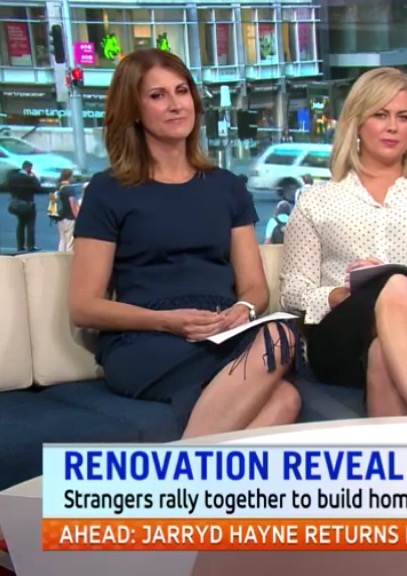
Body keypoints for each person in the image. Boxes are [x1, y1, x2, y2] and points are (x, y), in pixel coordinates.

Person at [68, 48, 300, 439]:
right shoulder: (109, 191)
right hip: (146, 338)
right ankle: (184, 468)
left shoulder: (227, 186)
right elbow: (83, 306)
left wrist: (242, 310)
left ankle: (184, 469)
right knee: (280, 377)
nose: (176, 105)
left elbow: (254, 289)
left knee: (286, 390)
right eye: (157, 95)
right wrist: (167, 321)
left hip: (221, 332)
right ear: (134, 110)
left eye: (181, 91)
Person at [280, 67, 407, 417]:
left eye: (403, 117)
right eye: (380, 115)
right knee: (393, 290)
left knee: (386, 339)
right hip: (345, 330)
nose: (392, 127)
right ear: (357, 123)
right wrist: (337, 294)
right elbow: (293, 291)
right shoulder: (316, 200)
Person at [6, 161, 41, 252]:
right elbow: (38, 188)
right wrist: (34, 177)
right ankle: (30, 245)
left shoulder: (13, 177)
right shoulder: (29, 178)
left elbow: (7, 187)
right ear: (28, 168)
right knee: (30, 225)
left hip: (17, 204)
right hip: (28, 204)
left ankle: (20, 245)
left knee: (21, 224)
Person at [52, 168, 80, 252]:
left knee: (62, 239)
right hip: (69, 217)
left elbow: (52, 200)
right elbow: (72, 204)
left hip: (59, 216)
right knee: (70, 241)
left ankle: (60, 256)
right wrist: (77, 217)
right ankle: (67, 259)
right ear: (70, 177)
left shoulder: (57, 187)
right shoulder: (70, 189)